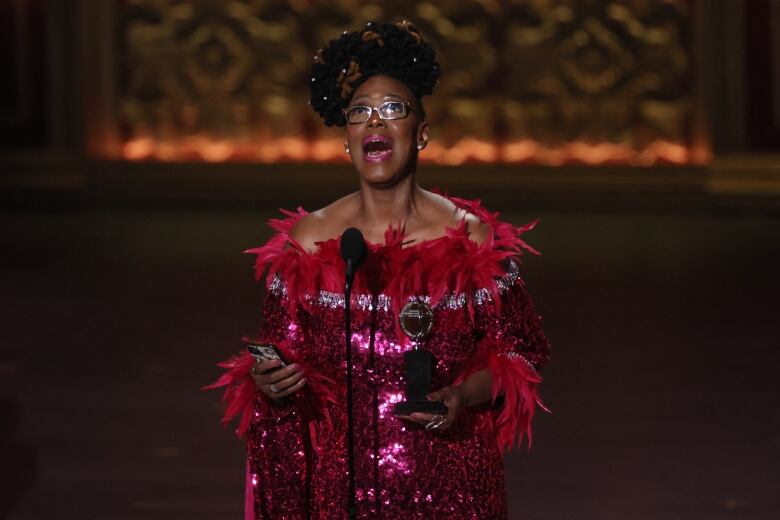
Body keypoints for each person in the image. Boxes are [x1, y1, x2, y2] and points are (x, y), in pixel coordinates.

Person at [208, 21, 551, 520]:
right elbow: (279, 356)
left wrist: (460, 394)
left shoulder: (472, 238)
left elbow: (522, 354)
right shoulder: (311, 241)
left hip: (453, 483)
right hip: (338, 486)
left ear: (422, 132)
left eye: (393, 110)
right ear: (347, 140)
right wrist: (268, 377)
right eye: (360, 113)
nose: (375, 123)